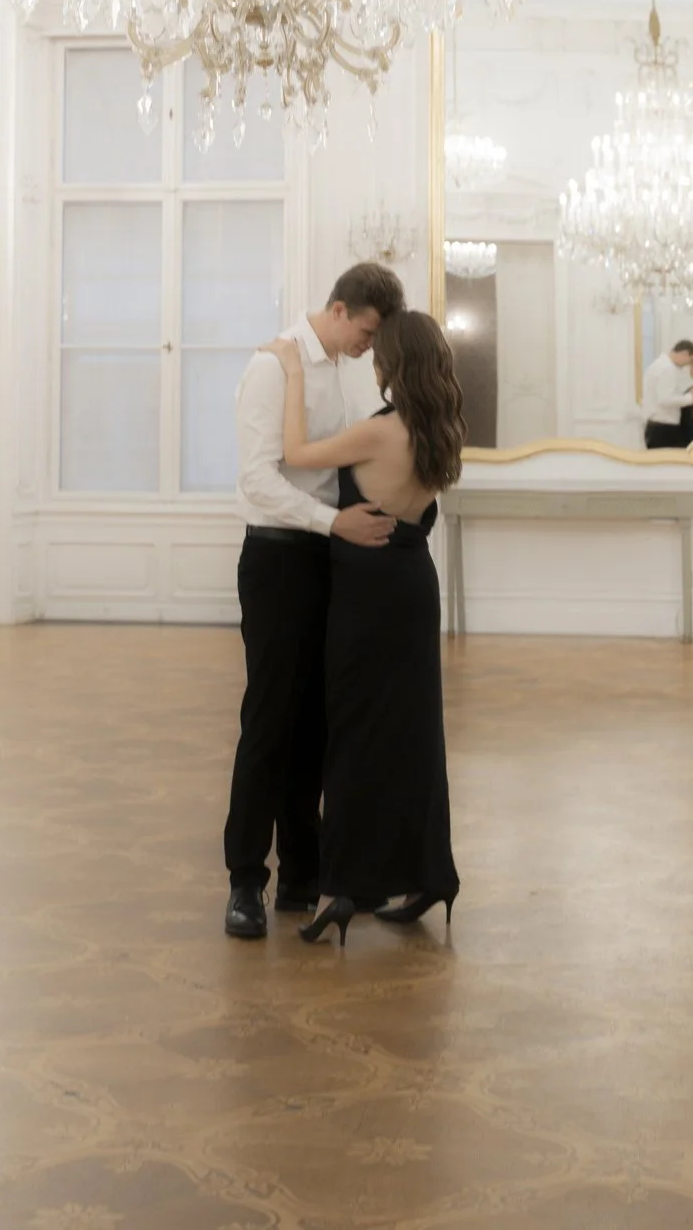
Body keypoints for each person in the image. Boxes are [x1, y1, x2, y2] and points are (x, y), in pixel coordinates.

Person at [262, 309, 465, 947]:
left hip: (367, 597)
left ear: (390, 366)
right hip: (413, 589)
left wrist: (293, 372)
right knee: (415, 736)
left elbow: (294, 454)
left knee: (350, 739)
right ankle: (429, 874)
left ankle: (337, 890)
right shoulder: (444, 428)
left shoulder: (381, 433)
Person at [223, 262, 407, 941]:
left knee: (314, 726)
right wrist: (335, 525)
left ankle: (303, 874)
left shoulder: (336, 369)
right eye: (364, 331)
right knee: (268, 721)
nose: (369, 346)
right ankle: (244, 880)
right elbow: (257, 481)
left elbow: (332, 467)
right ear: (336, 309)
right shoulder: (274, 366)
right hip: (276, 557)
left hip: (327, 559)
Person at [643, 338, 693, 450]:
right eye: (690, 361)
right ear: (685, 354)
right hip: (663, 428)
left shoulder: (658, 365)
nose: (687, 366)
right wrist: (691, 398)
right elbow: (665, 399)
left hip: (657, 427)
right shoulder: (667, 368)